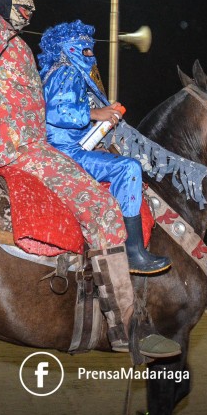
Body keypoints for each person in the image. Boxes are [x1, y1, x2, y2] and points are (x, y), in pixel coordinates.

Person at [0, 0, 179, 358]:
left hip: (33, 149)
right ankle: (128, 329)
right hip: (24, 152)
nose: (31, 0)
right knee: (102, 208)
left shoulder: (10, 38)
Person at [37, 20, 171, 273]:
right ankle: (133, 252)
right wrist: (97, 113)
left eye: (91, 49)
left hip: (70, 148)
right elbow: (58, 112)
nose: (90, 54)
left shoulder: (58, 71)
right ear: (67, 49)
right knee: (129, 168)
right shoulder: (67, 71)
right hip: (66, 153)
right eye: (84, 49)